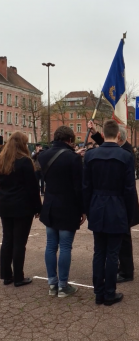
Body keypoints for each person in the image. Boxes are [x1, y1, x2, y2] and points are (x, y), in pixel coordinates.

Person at [83, 120, 135, 306]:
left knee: (99, 252)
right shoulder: (126, 156)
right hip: (117, 207)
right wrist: (130, 214)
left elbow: (86, 186)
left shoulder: (90, 155)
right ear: (118, 135)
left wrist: (86, 209)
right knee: (112, 253)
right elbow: (129, 189)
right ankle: (109, 293)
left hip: (97, 206)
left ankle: (99, 292)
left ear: (103, 134)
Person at [38, 126, 86, 297]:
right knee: (65, 246)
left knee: (51, 245)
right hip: (68, 207)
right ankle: (63, 286)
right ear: (70, 140)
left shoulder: (43, 155)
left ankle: (52, 283)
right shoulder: (73, 159)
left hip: (50, 205)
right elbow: (78, 188)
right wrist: (83, 209)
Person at [0, 132, 41, 287]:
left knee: (7, 239)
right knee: (19, 242)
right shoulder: (24, 162)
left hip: (5, 205)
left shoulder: (2, 160)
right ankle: (18, 276)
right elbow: (32, 188)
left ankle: (6, 275)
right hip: (22, 207)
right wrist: (38, 207)